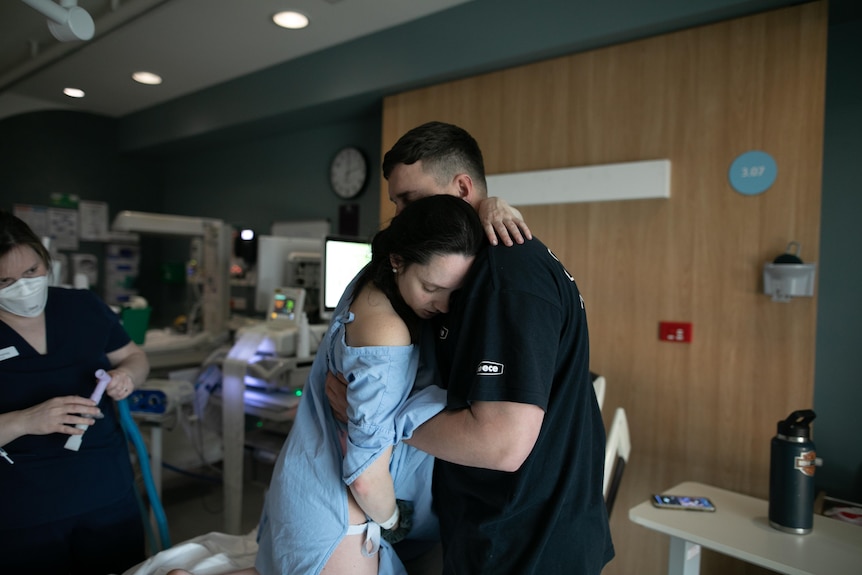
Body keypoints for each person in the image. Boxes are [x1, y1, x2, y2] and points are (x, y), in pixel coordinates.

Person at [330, 121, 614, 573]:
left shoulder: (505, 277)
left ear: (462, 187)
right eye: (396, 204)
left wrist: (374, 417)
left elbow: (501, 443)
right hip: (504, 527)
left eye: (410, 200)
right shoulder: (478, 266)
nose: (401, 217)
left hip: (525, 543)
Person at [235, 194, 484, 575]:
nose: (444, 306)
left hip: (305, 480)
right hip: (338, 515)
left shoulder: (370, 283)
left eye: (455, 293)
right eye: (432, 288)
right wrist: (394, 522)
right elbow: (366, 478)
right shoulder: (387, 335)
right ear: (398, 260)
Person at [0, 210, 150, 574]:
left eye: (31, 272)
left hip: (106, 493)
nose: (22, 286)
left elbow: (134, 355)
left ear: (45, 260)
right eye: (4, 281)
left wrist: (127, 375)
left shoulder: (81, 306)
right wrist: (25, 421)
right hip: (23, 510)